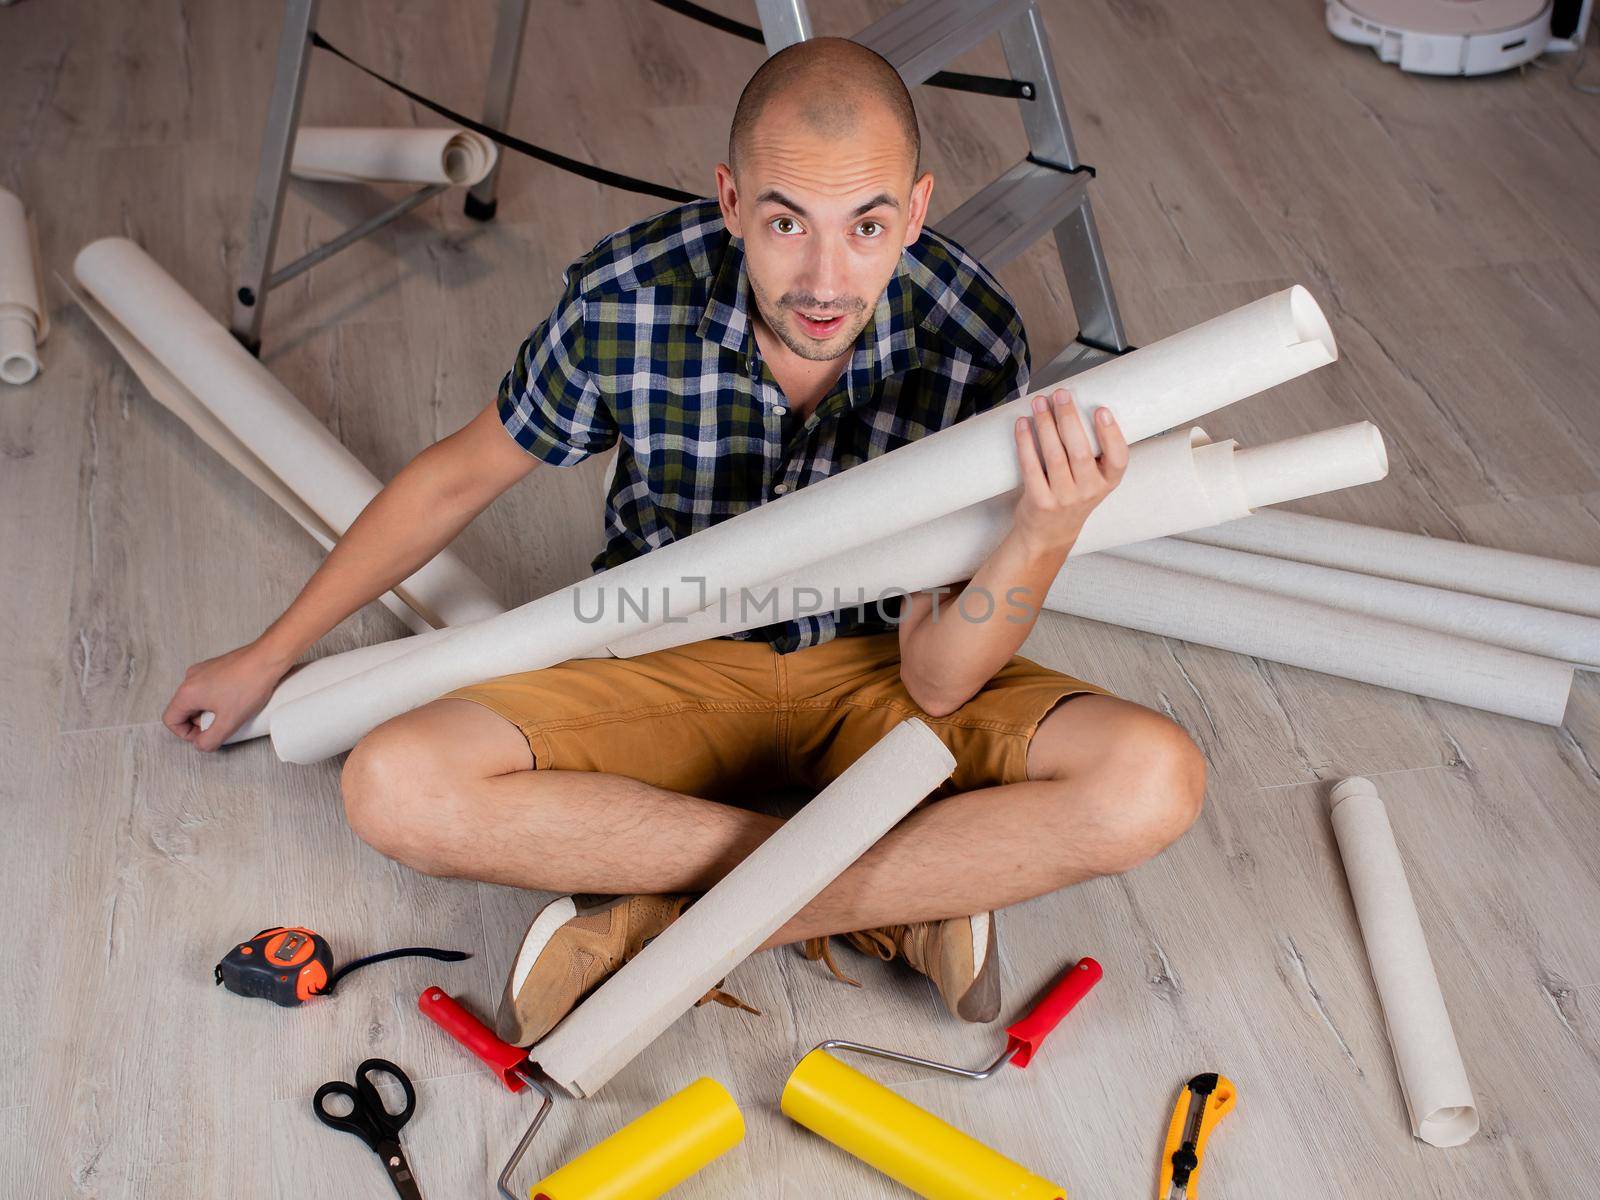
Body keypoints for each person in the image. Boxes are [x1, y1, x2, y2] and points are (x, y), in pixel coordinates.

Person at [165, 37, 1204, 1047]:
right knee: (394, 785)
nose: (826, 280)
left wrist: (1046, 529)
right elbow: (460, 475)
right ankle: (895, 895)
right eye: (787, 223)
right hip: (666, 660)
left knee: (1152, 780)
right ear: (731, 201)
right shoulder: (627, 297)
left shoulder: (969, 332)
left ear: (916, 212)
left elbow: (937, 682)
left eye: (868, 226)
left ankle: (654, 916)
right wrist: (269, 653)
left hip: (882, 674)